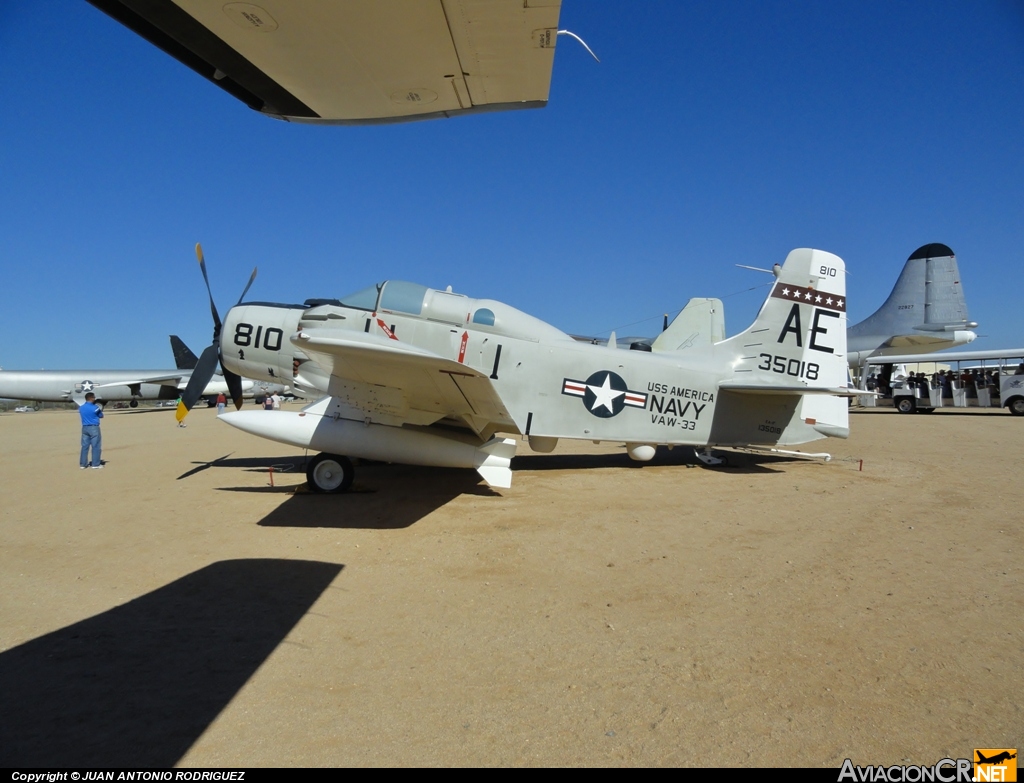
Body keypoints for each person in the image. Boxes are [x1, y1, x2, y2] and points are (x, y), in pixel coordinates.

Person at [79, 392, 103, 469]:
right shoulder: (95, 407)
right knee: (96, 446)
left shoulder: (81, 407)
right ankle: (95, 464)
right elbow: (101, 415)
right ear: (91, 398)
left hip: (85, 427)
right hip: (94, 427)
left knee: (84, 446)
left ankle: (83, 464)